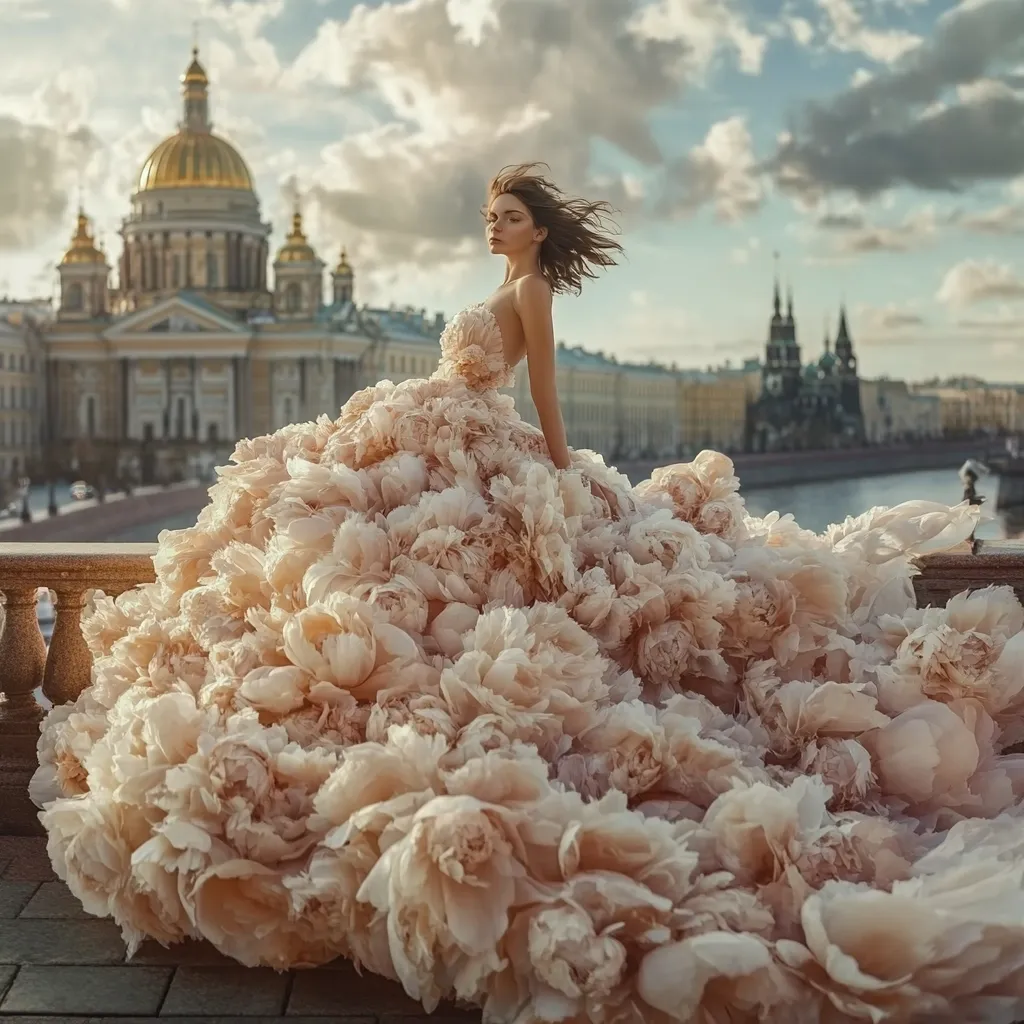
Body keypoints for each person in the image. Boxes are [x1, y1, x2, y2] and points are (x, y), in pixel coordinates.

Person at [31, 164, 1024, 1023]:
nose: (493, 226)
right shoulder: (506, 280)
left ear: (539, 228)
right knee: (339, 568)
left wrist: (555, 474)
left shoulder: (535, 292)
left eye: (506, 215)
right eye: (489, 215)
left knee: (424, 595)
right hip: (427, 438)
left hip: (478, 451)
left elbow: (542, 388)